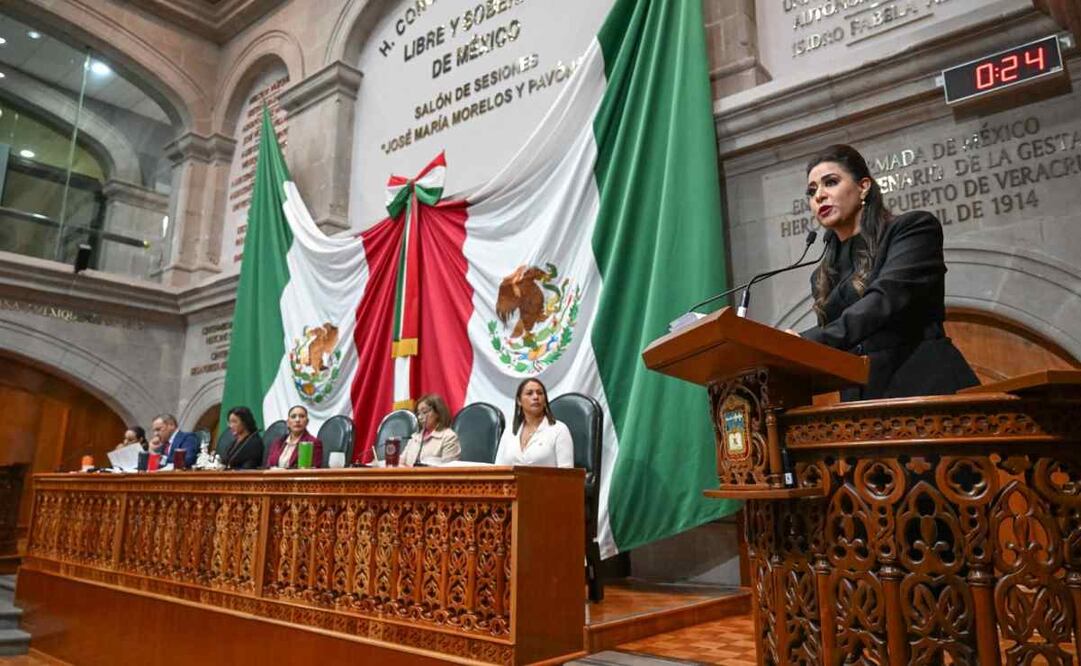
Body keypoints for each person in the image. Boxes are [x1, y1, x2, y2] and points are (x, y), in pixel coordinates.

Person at [791, 144, 979, 400]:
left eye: (831, 182)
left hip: (924, 388)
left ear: (863, 186)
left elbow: (884, 299)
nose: (819, 196)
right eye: (812, 192)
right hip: (861, 404)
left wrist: (804, 343)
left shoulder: (912, 229)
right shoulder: (823, 274)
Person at [494, 378, 573, 467]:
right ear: (519, 401)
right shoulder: (509, 431)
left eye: (540, 393)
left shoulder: (559, 430)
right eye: (529, 393)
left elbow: (567, 474)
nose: (536, 397)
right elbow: (498, 469)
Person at [400, 394, 461, 467]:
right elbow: (401, 462)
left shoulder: (449, 437)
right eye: (418, 413)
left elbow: (449, 472)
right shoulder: (415, 437)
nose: (420, 417)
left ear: (438, 412)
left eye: (425, 412)